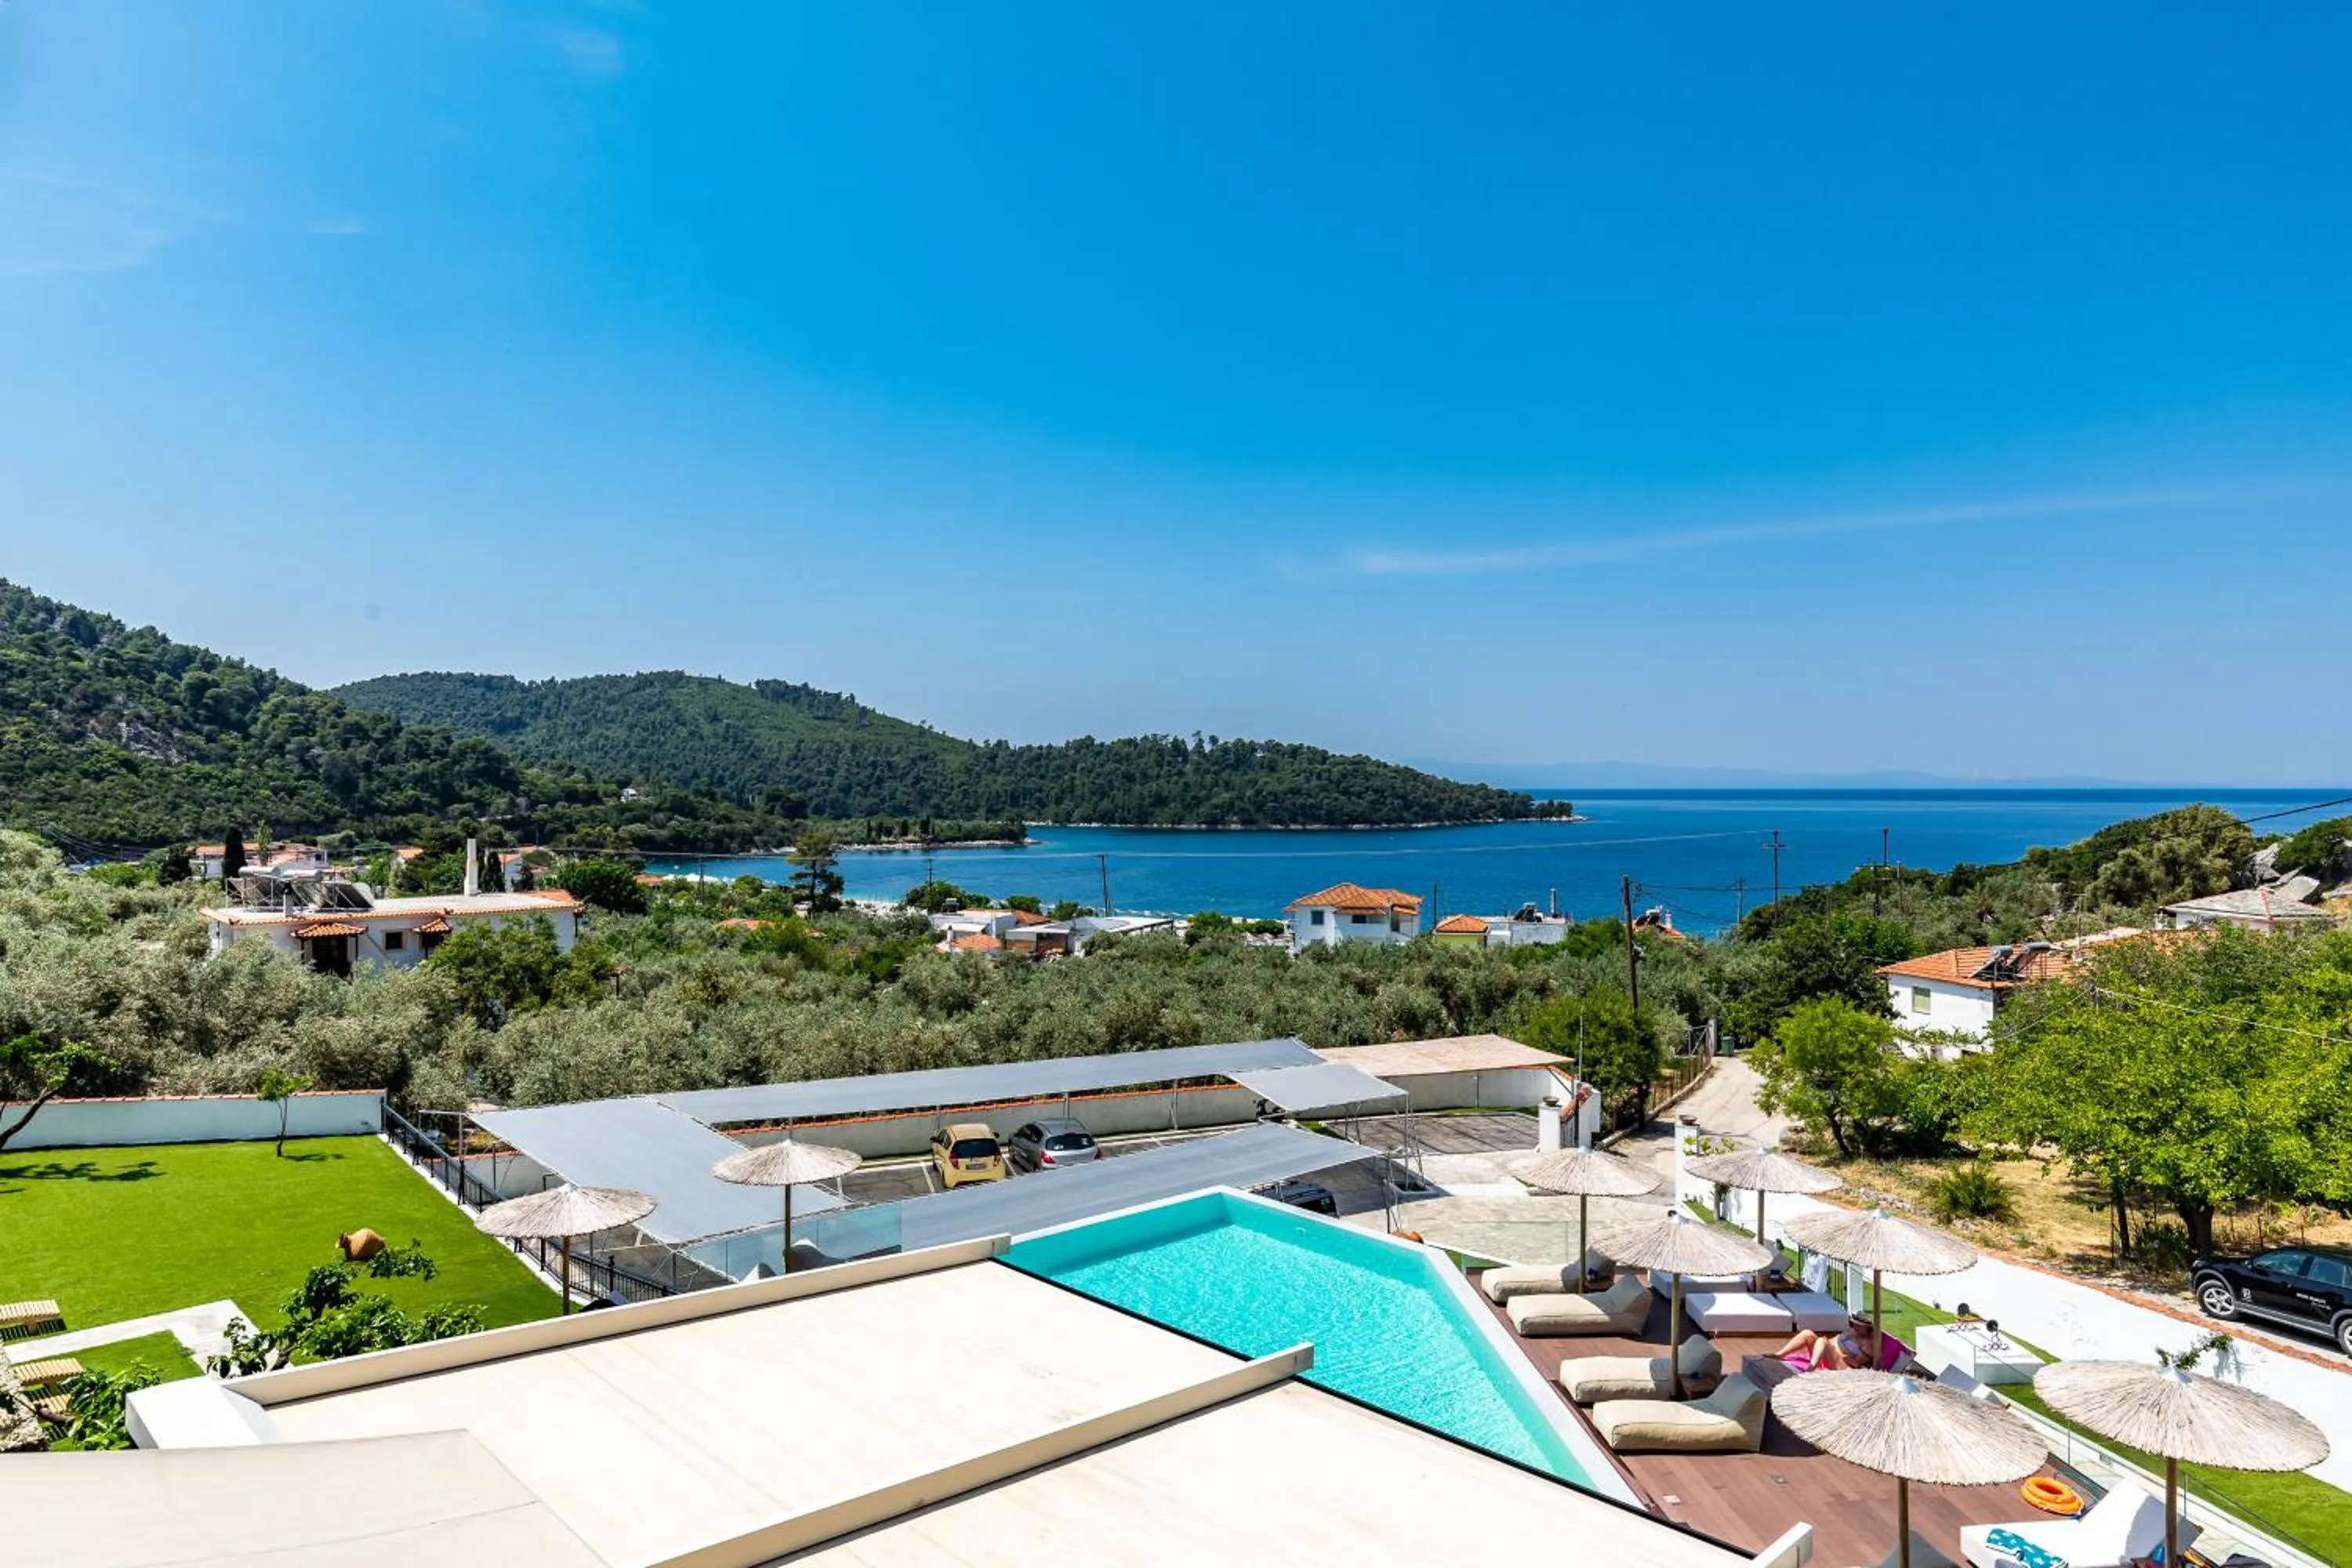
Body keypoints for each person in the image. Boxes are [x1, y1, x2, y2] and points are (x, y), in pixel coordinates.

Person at [1777, 1316, 1878, 1371]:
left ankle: (1810, 1370)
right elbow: (1834, 1341)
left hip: (1843, 1367)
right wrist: (1826, 1346)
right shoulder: (1851, 1331)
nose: (1855, 1326)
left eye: (1858, 1325)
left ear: (1866, 1327)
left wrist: (1840, 1354)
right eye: (1855, 1323)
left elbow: (1856, 1364)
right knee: (1808, 1333)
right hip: (1828, 1356)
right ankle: (1780, 1354)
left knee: (1822, 1342)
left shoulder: (1869, 1344)